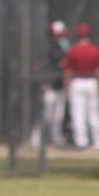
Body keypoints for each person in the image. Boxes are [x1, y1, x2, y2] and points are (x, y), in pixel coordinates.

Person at [63, 23, 99, 150]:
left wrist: (66, 87)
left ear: (77, 35)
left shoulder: (72, 50)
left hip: (76, 82)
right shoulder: (95, 49)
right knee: (94, 113)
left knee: (78, 113)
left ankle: (81, 142)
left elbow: (68, 71)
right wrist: (98, 84)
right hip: (91, 81)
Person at [29, 20, 70, 149]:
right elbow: (38, 66)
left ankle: (56, 138)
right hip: (49, 85)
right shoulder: (47, 48)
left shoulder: (62, 47)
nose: (61, 37)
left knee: (58, 115)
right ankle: (35, 139)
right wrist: (44, 81)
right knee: (46, 115)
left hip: (59, 85)